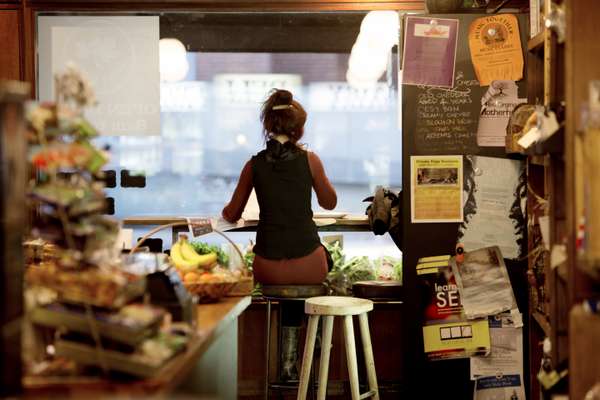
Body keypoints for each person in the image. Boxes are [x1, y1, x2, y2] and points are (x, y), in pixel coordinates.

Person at [222, 88, 337, 380]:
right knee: (329, 268)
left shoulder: (254, 164)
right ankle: (317, 351)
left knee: (289, 294)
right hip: (310, 265)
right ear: (299, 129)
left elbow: (230, 214)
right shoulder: (310, 160)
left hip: (268, 269)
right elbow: (329, 202)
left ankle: (287, 366)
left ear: (267, 126)